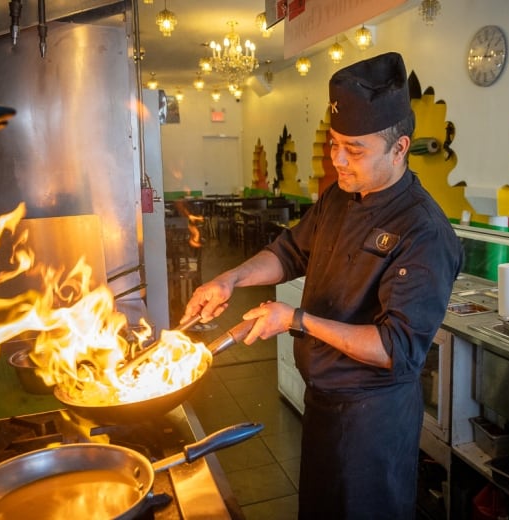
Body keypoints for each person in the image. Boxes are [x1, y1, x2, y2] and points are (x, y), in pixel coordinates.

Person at [184, 52, 463, 519]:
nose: (337, 161)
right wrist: (229, 278)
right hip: (324, 404)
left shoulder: (424, 231)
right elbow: (290, 251)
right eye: (334, 144)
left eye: (354, 150)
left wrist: (295, 320)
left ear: (400, 148)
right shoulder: (340, 195)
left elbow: (395, 347)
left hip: (373, 419)